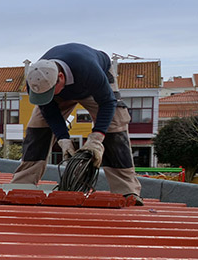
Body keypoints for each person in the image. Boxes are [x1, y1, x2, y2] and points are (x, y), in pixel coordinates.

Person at [12, 43, 143, 205]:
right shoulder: (37, 79)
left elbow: (108, 103)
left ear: (60, 77)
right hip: (63, 88)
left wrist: (96, 139)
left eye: (49, 93)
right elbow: (49, 112)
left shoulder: (88, 70)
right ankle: (22, 184)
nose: (47, 97)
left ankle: (126, 190)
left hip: (93, 86)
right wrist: (63, 139)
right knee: (38, 126)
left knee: (114, 125)